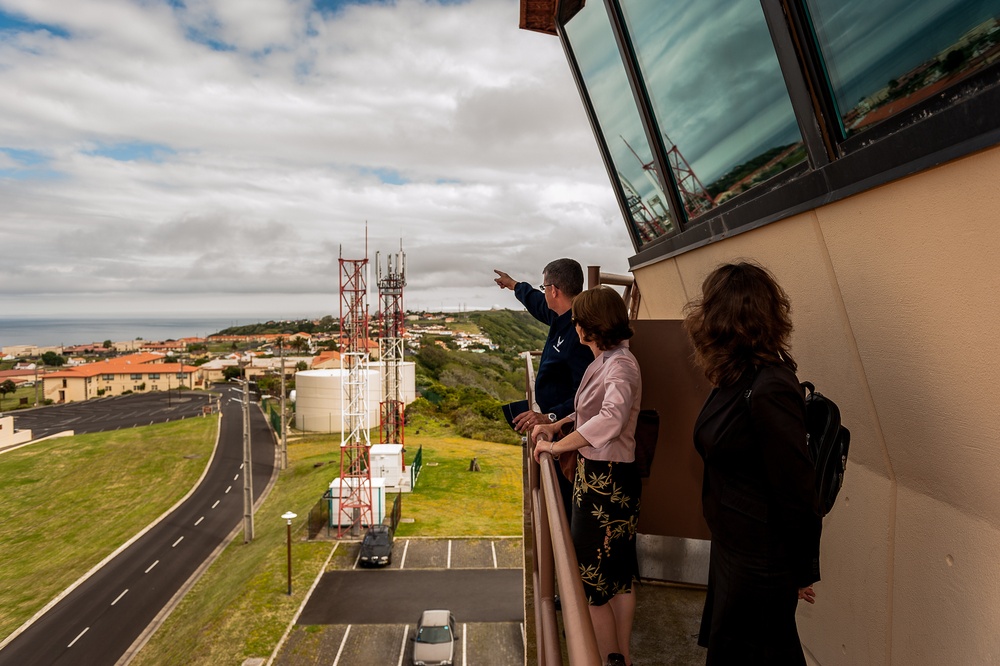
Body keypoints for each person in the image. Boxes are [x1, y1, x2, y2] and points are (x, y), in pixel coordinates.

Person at [683, 262, 821, 665]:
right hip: (735, 549)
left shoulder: (770, 386)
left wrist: (800, 569)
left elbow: (797, 487)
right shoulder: (736, 377)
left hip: (760, 562)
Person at [531, 286, 642, 666]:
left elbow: (609, 419)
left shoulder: (620, 365)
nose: (574, 325)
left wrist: (556, 447)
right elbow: (589, 412)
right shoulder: (609, 359)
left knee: (592, 584)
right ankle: (620, 657)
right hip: (608, 477)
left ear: (588, 326)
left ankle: (607, 658)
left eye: (578, 320)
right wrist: (556, 423)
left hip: (605, 482)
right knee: (618, 576)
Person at [494, 259, 593, 513]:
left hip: (566, 434)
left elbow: (587, 396)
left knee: (562, 502)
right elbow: (536, 303)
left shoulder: (579, 333)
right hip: (555, 424)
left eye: (544, 286)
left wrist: (549, 416)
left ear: (554, 290)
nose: (543, 292)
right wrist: (513, 285)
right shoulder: (561, 315)